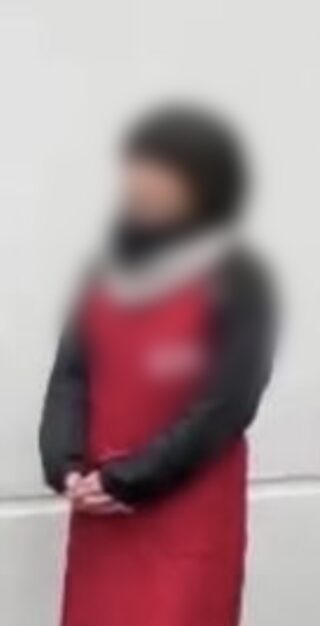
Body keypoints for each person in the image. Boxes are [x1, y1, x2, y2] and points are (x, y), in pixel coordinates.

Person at [39, 104, 279, 626]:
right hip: (102, 511)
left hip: (184, 512)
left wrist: (133, 479)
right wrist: (65, 465)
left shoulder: (240, 278)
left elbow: (228, 403)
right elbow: (71, 375)